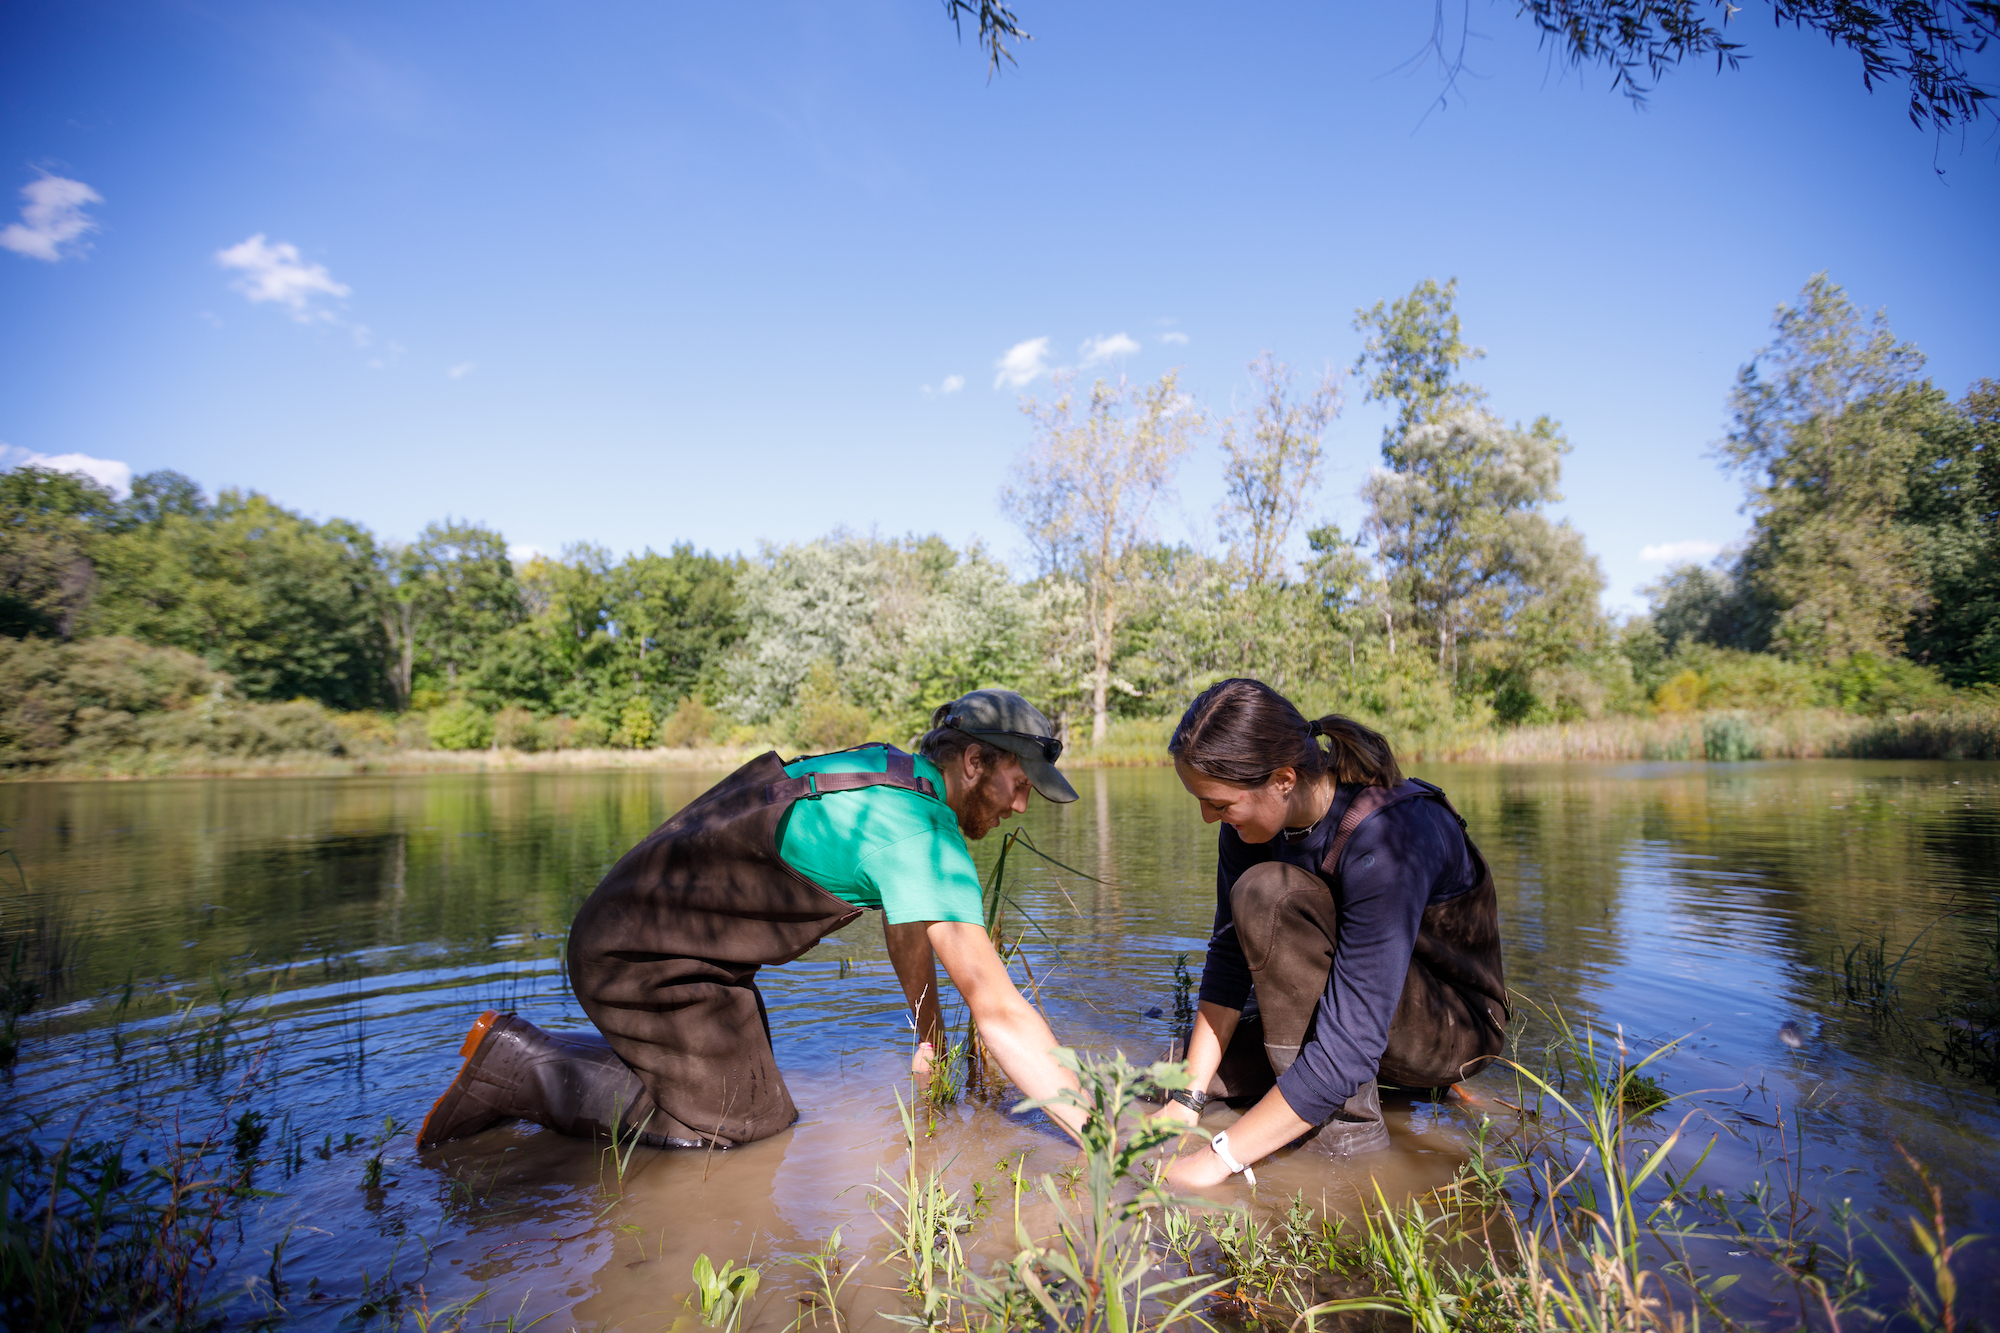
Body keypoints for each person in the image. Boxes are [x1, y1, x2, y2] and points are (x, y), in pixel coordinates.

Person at [415, 688, 1089, 1151]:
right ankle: (516, 1065)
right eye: (1020, 784)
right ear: (974, 762)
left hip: (679, 954)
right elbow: (1001, 1014)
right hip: (639, 957)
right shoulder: (923, 838)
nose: (1021, 806)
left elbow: (908, 923)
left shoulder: (897, 780)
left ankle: (549, 1056)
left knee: (751, 1094)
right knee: (738, 1129)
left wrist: (929, 1038)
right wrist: (1117, 1144)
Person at [1153, 678, 1508, 1189]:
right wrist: (1186, 1102)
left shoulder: (1388, 837)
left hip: (1452, 1030)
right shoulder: (1250, 826)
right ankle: (1327, 1100)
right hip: (1354, 1013)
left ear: (1283, 779)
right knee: (1159, 1081)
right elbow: (1228, 959)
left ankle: (1348, 1145)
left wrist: (1215, 1160)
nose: (1210, 818)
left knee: (1268, 892)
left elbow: (1350, 1042)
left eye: (1220, 803)